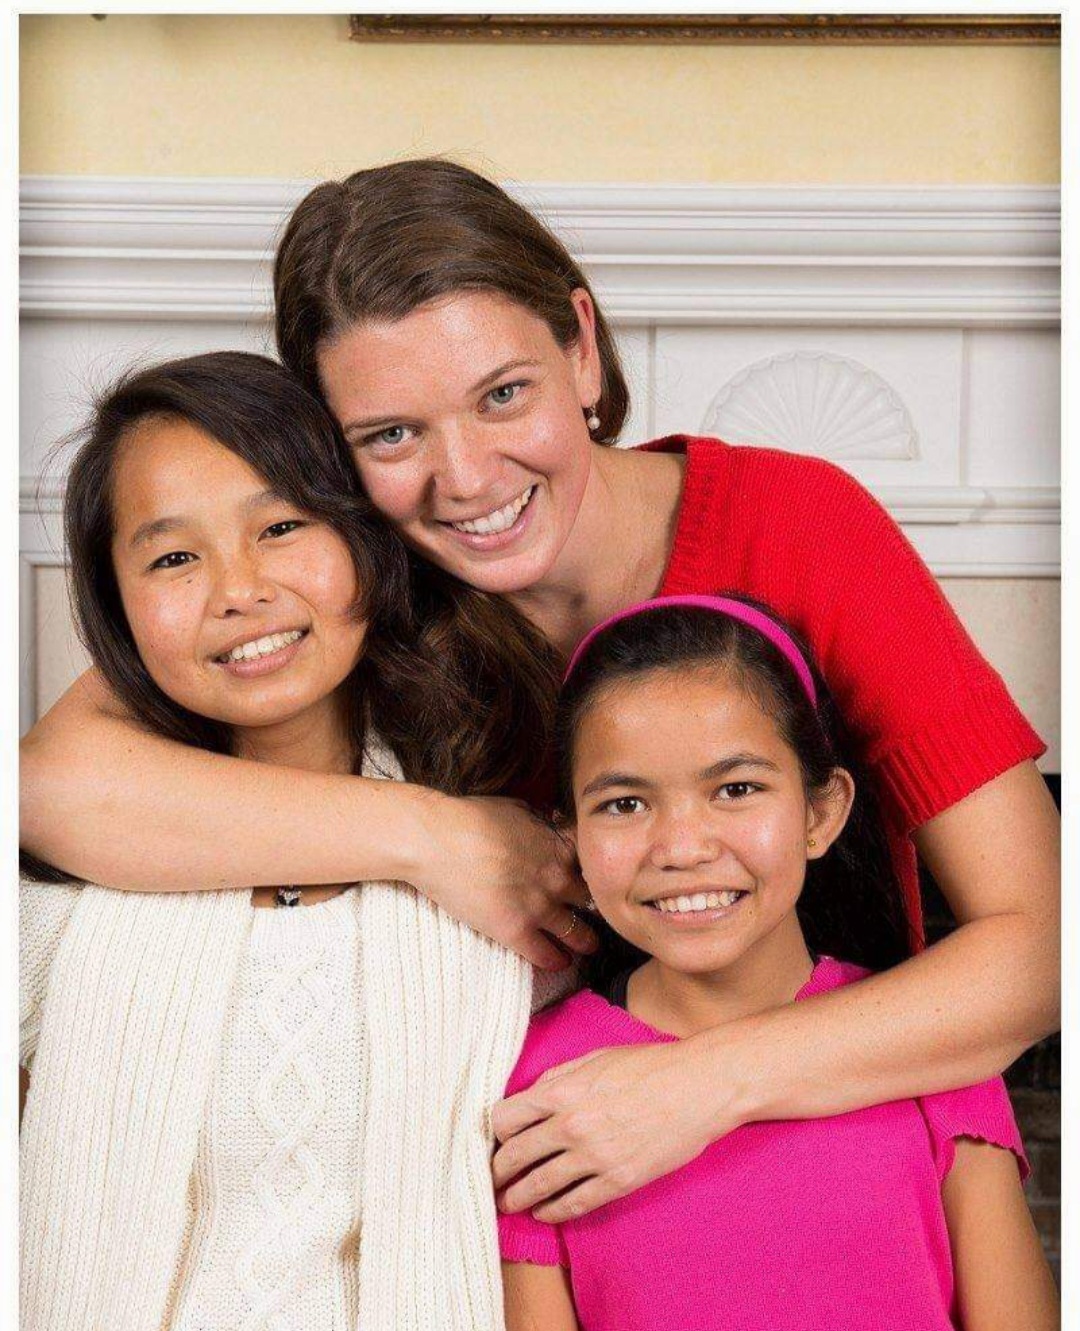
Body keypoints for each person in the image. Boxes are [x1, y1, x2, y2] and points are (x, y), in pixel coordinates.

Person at [21, 159, 1060, 1224]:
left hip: (853, 1161)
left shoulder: (799, 524)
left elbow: (1036, 946)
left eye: (503, 395)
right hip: (543, 1223)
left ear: (580, 344)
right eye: (390, 436)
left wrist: (704, 1083)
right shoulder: (354, 583)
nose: (465, 479)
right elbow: (54, 785)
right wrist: (437, 837)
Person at [19, 352, 542, 1331]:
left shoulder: (516, 861)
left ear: (369, 540)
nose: (237, 591)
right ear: (113, 606)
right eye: (171, 557)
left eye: (284, 527)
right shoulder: (59, 897)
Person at [498, 596, 1060, 1331]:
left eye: (736, 789)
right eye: (624, 804)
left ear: (821, 811)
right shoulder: (541, 1084)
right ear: (572, 836)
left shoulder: (928, 1048)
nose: (682, 844)